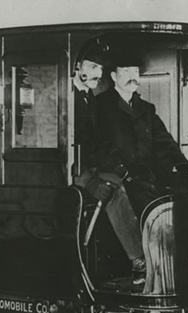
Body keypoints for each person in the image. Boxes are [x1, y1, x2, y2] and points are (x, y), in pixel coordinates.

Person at [93, 44, 188, 217]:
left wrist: (185, 168)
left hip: (150, 174)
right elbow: (100, 148)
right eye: (127, 71)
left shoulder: (146, 109)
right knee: (147, 199)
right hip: (123, 177)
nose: (133, 77)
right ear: (114, 76)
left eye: (136, 72)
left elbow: (164, 143)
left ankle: (187, 243)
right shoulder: (101, 107)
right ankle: (154, 243)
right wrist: (125, 172)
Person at [72, 39, 146, 284]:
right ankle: (138, 260)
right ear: (77, 67)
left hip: (92, 169)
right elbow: (64, 148)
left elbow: (94, 145)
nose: (98, 73)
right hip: (71, 174)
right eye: (93, 67)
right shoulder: (66, 98)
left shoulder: (90, 98)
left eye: (100, 69)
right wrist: (89, 181)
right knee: (113, 191)